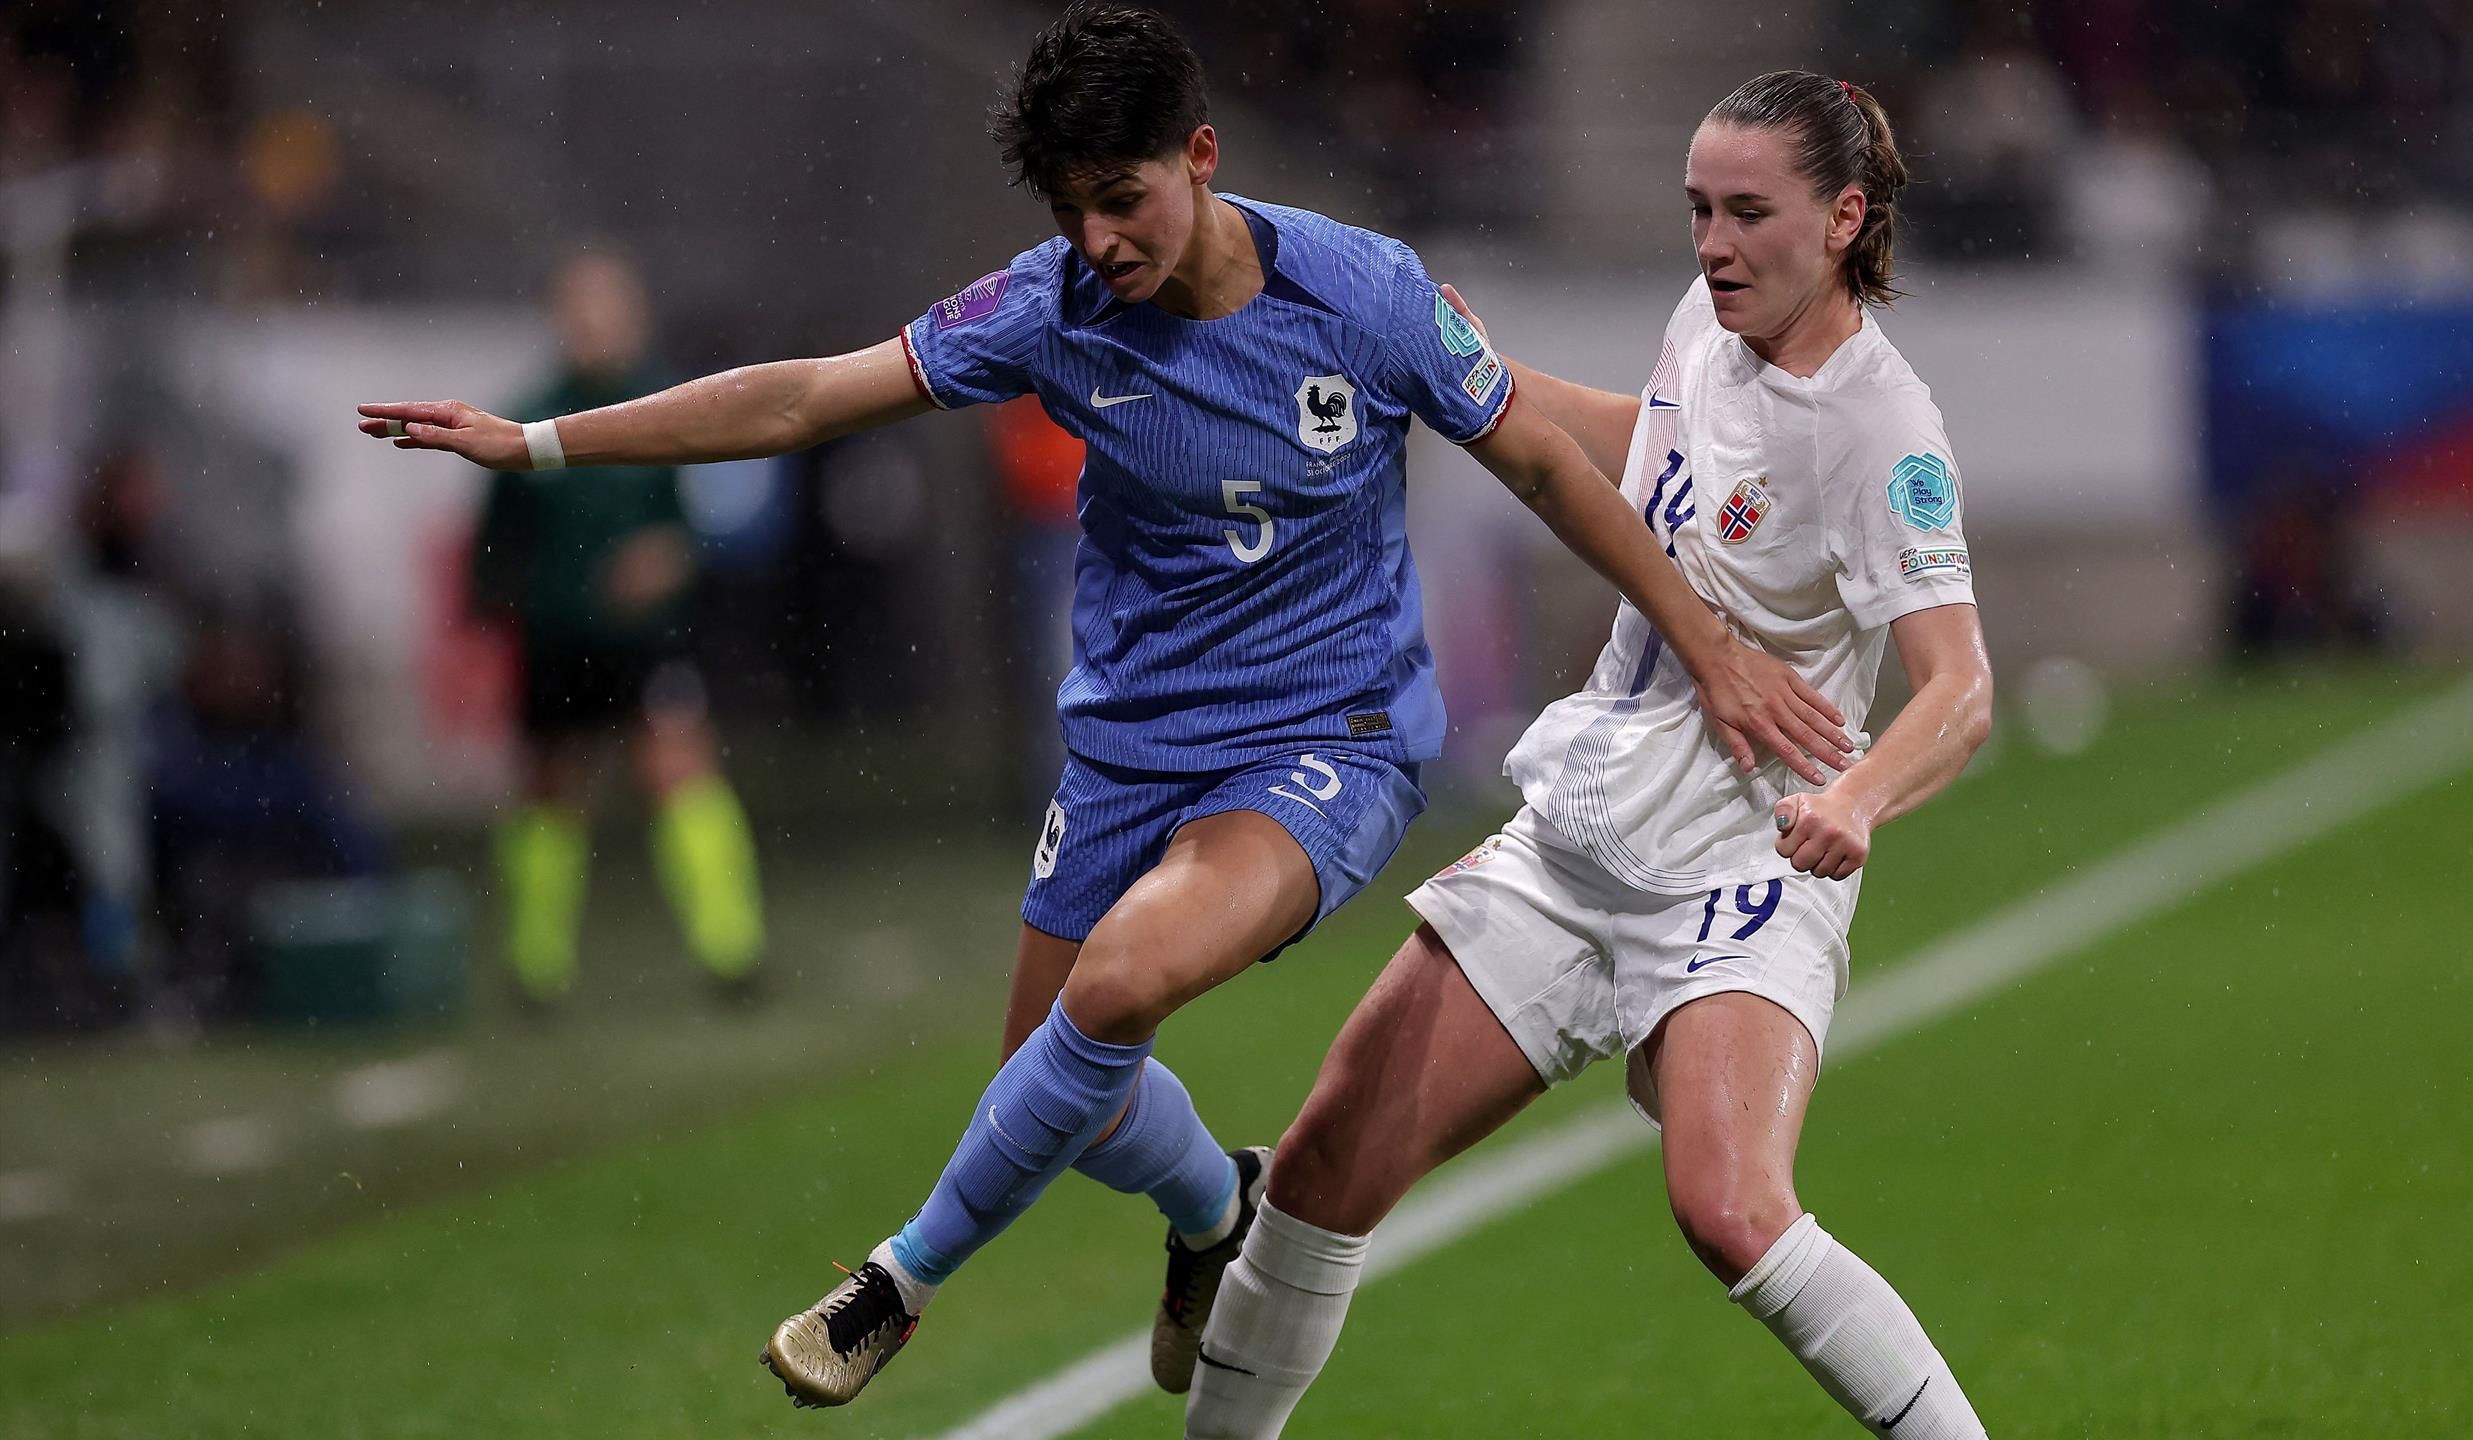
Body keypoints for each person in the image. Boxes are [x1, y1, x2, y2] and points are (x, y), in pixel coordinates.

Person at [358, 7, 1852, 1411]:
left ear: (1201, 155)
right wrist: (544, 443)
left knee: (1124, 981)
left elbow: (1540, 459)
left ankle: (897, 1280)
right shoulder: (1050, 305)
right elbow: (808, 396)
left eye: (1122, 198)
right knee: (1056, 1079)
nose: (1099, 239)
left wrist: (1707, 637)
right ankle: (1220, 1208)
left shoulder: (1367, 292)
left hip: (1328, 743)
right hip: (1130, 745)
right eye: (1070, 207)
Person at [1188, 73, 1996, 1439]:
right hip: (1579, 840)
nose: (1713, 244)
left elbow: (1962, 688)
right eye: (1699, 211)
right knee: (1325, 1160)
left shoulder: (1882, 429)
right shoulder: (1711, 325)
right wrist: (1480, 390)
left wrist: (1857, 797)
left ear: (1847, 218)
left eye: (1750, 213)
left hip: (1745, 863)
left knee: (1730, 1210)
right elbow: (1657, 451)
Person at [465, 250, 767, 1005]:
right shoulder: (527, 418)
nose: (595, 324)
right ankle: (536, 968)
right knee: (551, 791)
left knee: (679, 773)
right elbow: (493, 548)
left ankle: (733, 951)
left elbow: (708, 523)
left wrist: (671, 559)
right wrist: (517, 601)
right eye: (580, 308)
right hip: (558, 637)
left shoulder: (673, 405)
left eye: (608, 306)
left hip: (647, 637)